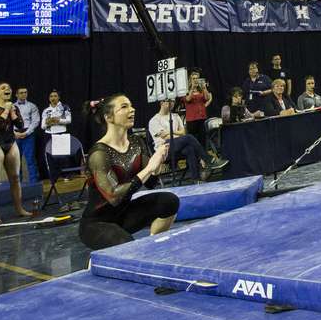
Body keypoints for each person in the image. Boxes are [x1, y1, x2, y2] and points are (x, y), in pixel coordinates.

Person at [79, 94, 179, 250]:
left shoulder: (136, 142)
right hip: (97, 223)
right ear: (109, 117)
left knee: (169, 201)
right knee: (126, 245)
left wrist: (159, 162)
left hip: (124, 214)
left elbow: (151, 182)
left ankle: (154, 246)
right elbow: (114, 197)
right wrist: (149, 168)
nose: (132, 109)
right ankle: (100, 260)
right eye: (124, 107)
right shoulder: (99, 153)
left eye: (131, 105)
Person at [0, 82, 34, 226]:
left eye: (9, 88)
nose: (7, 90)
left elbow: (20, 126)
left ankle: (19, 209)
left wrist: (12, 112)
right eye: (3, 88)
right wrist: (5, 111)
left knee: (16, 177)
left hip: (10, 143)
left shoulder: (14, 106)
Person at [147, 100, 227, 182]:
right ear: (162, 103)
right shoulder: (154, 120)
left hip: (177, 146)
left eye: (174, 101)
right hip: (164, 150)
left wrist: (171, 133)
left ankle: (196, 179)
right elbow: (167, 137)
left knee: (189, 149)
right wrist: (179, 136)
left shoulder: (175, 116)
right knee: (188, 138)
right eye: (169, 101)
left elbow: (183, 132)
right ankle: (208, 159)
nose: (172, 104)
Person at [180, 71, 211, 147]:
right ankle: (194, 157)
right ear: (190, 80)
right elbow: (188, 99)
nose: (196, 80)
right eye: (193, 78)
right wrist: (192, 88)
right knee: (193, 140)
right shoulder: (185, 90)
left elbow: (207, 98)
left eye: (197, 78)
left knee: (202, 139)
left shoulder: (201, 90)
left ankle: (203, 157)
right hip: (192, 119)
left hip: (201, 117)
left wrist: (204, 88)